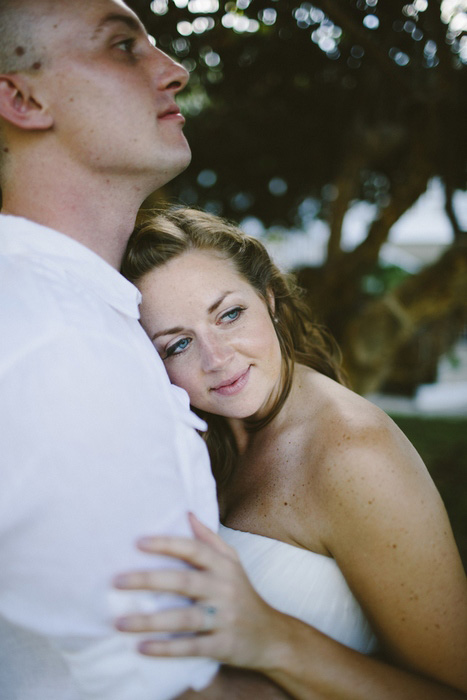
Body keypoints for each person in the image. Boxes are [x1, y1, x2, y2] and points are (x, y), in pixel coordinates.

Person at [0, 3, 288, 699]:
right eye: (124, 46)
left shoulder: (79, 313)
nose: (174, 71)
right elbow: (170, 692)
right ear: (22, 97)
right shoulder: (58, 344)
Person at [115, 206, 467, 700]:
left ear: (270, 299)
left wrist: (275, 638)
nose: (218, 359)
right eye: (177, 345)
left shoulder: (355, 455)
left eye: (230, 314)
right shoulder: (195, 438)